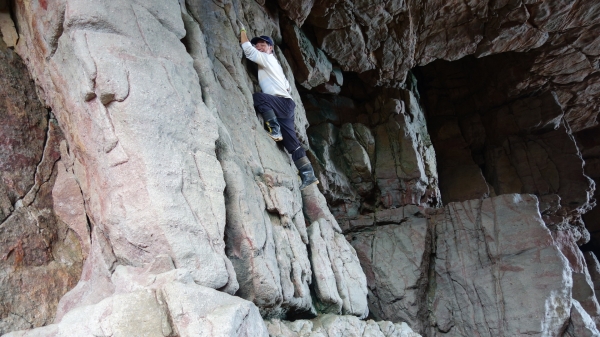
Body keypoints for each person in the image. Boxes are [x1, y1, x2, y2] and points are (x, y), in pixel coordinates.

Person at [240, 27, 318, 190]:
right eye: (257, 45)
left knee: (258, 98)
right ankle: (309, 175)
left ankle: (274, 128)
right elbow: (288, 87)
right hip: (285, 105)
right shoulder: (272, 66)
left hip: (281, 103)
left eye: (263, 44)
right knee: (293, 144)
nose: (259, 47)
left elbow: (248, 50)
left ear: (271, 48)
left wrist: (242, 31)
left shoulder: (267, 59)